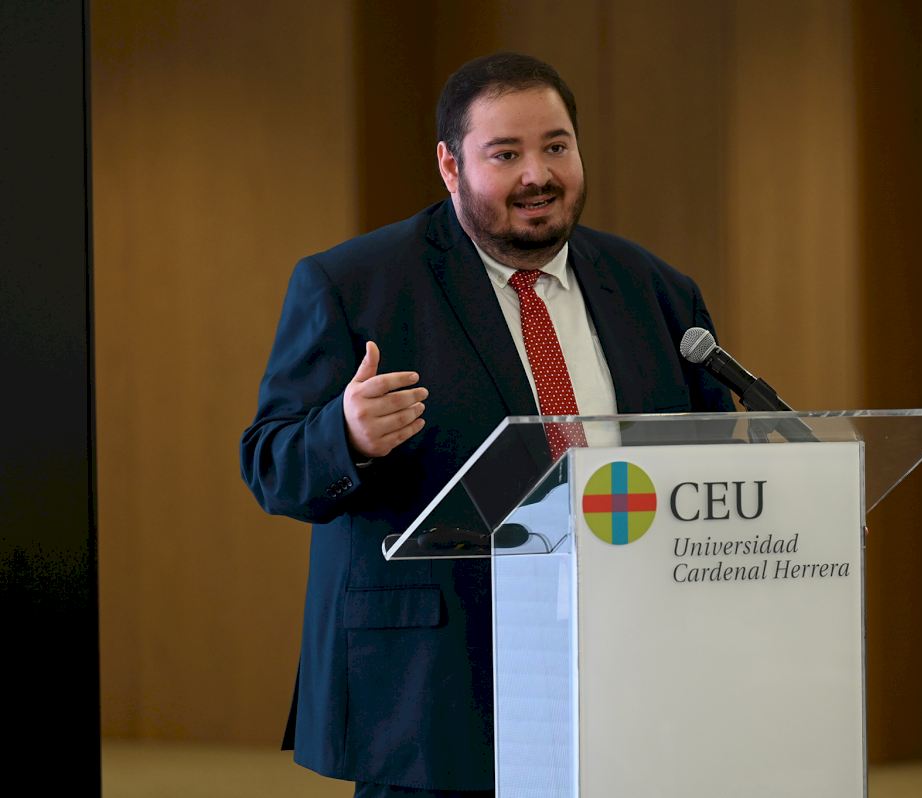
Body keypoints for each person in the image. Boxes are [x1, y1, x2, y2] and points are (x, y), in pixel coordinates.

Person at [240, 52, 734, 797]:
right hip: (438, 689)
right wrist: (347, 437)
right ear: (451, 166)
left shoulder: (655, 290)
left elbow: (711, 455)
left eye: (556, 146)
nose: (538, 174)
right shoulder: (356, 284)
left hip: (627, 665)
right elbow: (269, 462)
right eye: (505, 154)